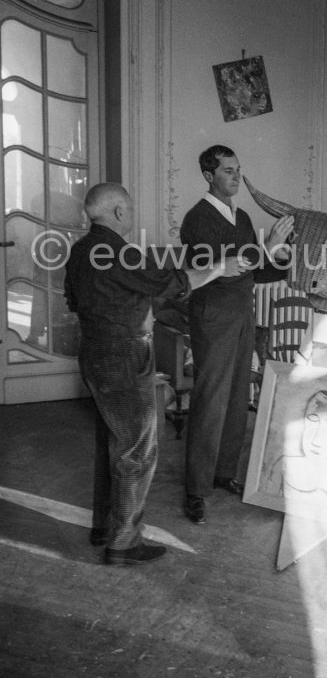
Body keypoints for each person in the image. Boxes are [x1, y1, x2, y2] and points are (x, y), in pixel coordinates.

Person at [64, 182, 246, 565]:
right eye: (129, 210)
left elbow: (74, 299)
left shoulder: (80, 251)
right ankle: (123, 543)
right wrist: (221, 267)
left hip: (93, 353)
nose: (131, 216)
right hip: (124, 355)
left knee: (112, 443)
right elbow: (174, 284)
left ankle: (104, 527)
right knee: (137, 449)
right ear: (117, 213)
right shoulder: (119, 253)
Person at [180, 145, 294, 524]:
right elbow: (227, 268)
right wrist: (266, 248)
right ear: (209, 175)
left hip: (242, 314)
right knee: (211, 400)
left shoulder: (241, 216)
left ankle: (223, 472)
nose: (236, 177)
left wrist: (285, 259)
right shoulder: (196, 220)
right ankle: (196, 489)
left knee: (237, 394)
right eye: (228, 170)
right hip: (213, 317)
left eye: (238, 169)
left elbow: (253, 273)